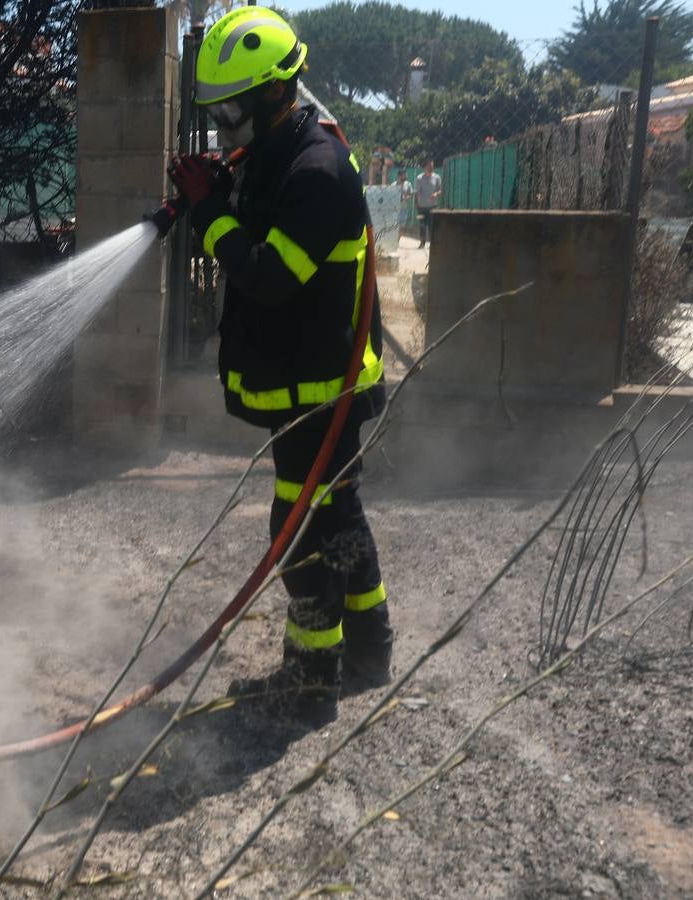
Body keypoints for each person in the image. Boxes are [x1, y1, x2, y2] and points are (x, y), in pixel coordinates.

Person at [166, 7, 393, 727]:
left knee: (294, 532)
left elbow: (267, 275)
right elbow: (260, 225)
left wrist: (210, 215)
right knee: (338, 512)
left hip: (318, 393)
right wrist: (220, 194)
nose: (222, 122)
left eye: (229, 107)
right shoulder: (281, 151)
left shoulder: (317, 170)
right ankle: (370, 646)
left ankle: (311, 676)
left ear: (269, 93)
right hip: (318, 381)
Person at [414, 160, 441, 248]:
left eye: (432, 166)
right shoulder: (419, 178)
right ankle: (422, 243)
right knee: (422, 225)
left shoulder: (437, 177)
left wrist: (436, 194)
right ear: (425, 167)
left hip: (433, 206)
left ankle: (432, 243)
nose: (431, 168)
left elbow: (440, 189)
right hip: (422, 206)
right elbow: (417, 192)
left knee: (432, 225)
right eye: (429, 166)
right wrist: (417, 203)